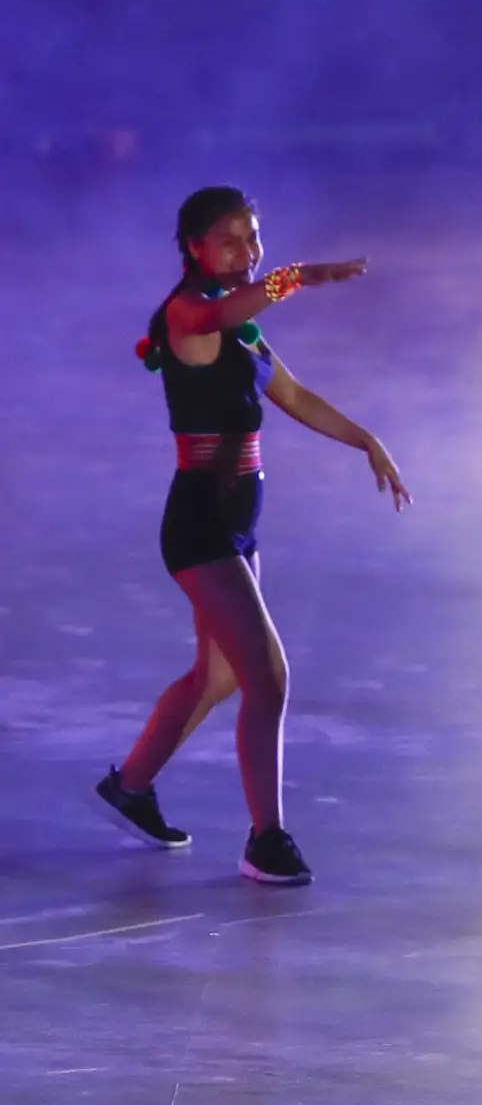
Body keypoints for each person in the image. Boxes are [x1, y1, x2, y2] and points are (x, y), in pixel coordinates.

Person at [92, 186, 408, 886]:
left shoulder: (244, 327)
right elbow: (229, 306)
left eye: (254, 237)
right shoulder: (190, 314)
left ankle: (130, 785)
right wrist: (298, 275)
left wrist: (367, 440)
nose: (248, 251)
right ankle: (266, 838)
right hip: (201, 523)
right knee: (267, 676)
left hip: (237, 521)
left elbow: (290, 395)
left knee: (221, 674)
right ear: (194, 247)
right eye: (231, 240)